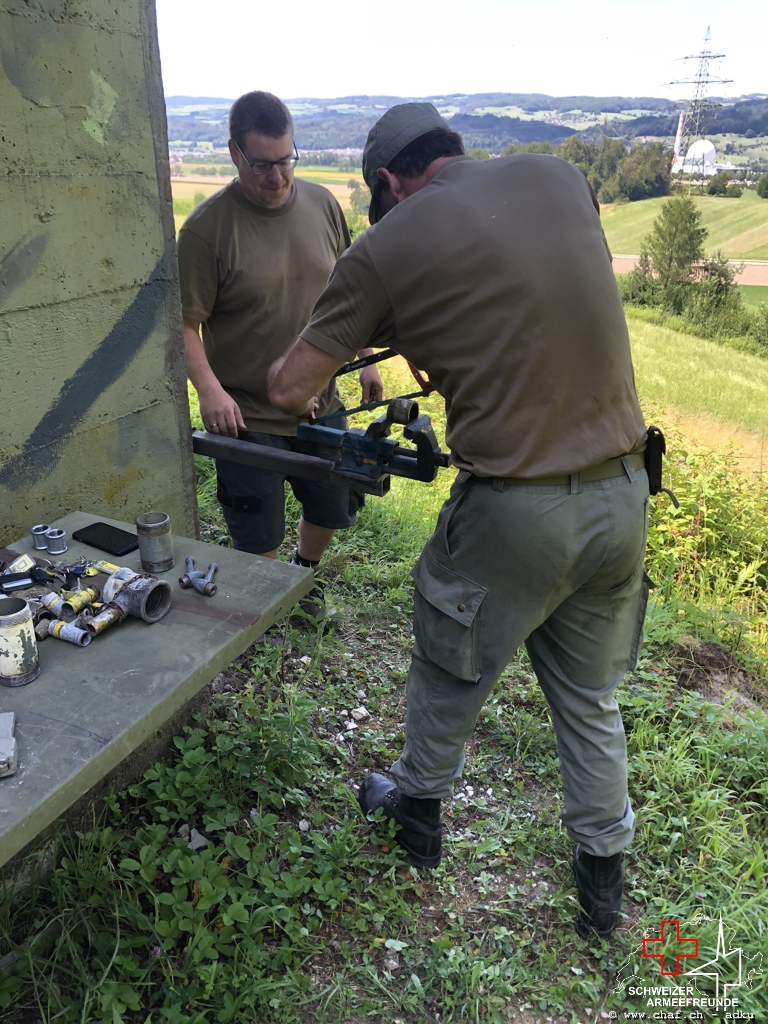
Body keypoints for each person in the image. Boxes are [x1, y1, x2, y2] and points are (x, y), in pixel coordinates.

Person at [268, 102, 649, 939]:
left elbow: (291, 391)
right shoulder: (557, 176)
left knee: (450, 664)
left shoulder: (388, 242)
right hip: (625, 493)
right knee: (589, 698)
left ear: (391, 182)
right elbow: (524, 296)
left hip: (518, 509)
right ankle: (603, 888)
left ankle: (416, 813)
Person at [177, 91, 383, 613]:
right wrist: (210, 390)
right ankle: (268, 604)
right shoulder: (206, 231)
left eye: (286, 160)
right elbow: (183, 326)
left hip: (323, 403)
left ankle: (303, 576)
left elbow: (349, 295)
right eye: (262, 164)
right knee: (256, 521)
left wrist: (369, 360)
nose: (277, 177)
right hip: (249, 416)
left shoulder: (322, 205)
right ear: (234, 154)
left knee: (334, 503)